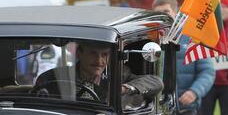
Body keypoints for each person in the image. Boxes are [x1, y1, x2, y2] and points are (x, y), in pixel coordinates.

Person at [152, 0, 215, 115]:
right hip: (157, 110)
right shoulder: (150, 40)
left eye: (167, 11)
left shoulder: (193, 37)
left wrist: (194, 92)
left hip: (184, 107)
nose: (164, 16)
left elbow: (208, 72)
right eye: (159, 13)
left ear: (176, 12)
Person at [34, 42, 163, 103]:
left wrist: (124, 88)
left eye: (104, 55)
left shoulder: (119, 75)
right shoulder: (53, 78)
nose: (99, 61)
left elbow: (156, 82)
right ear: (79, 53)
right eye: (93, 54)